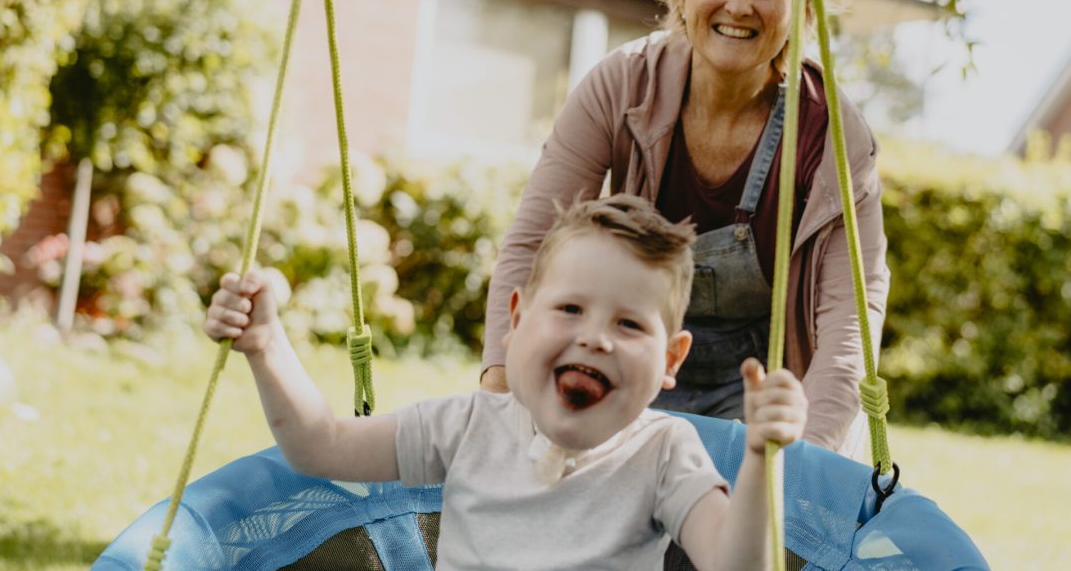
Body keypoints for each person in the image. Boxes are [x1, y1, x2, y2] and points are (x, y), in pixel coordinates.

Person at [480, 0, 888, 460]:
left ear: (802, 12)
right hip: (627, 359)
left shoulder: (832, 135)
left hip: (763, 384)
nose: (740, 6)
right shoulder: (621, 87)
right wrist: (500, 395)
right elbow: (532, 243)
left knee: (746, 533)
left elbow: (850, 314)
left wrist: (808, 458)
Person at [205, 194, 808, 571]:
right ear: (516, 323)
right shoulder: (467, 425)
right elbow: (322, 446)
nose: (596, 337)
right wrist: (265, 346)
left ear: (671, 359)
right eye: (570, 310)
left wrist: (759, 458)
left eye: (628, 323)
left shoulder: (663, 452)